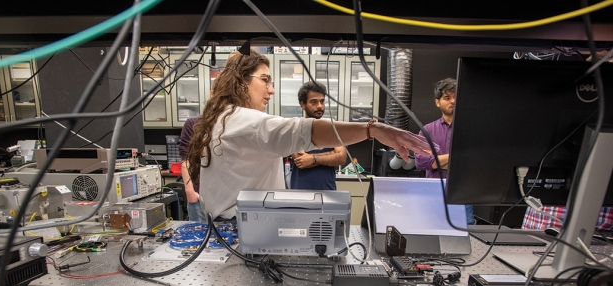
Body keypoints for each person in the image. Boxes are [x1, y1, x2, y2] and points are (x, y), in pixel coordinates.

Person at [187, 49, 431, 220]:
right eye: (265, 80)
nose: (271, 90)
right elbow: (308, 130)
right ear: (241, 81)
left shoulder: (223, 118)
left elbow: (324, 144)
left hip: (226, 224)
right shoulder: (243, 121)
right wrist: (373, 129)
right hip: (238, 227)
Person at [414, 78, 474, 224]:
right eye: (447, 98)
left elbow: (473, 161)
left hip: (463, 193)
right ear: (437, 102)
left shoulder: (471, 130)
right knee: (432, 232)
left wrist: (437, 161)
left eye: (456, 97)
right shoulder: (427, 131)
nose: (452, 101)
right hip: (433, 193)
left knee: (465, 235)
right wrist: (458, 156)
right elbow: (421, 162)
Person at [290, 81, 347, 191]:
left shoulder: (331, 128)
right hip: (300, 193)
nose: (320, 106)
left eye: (322, 101)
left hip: (328, 193)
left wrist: (313, 158)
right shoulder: (295, 128)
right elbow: (301, 161)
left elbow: (342, 157)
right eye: (314, 102)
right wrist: (332, 154)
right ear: (302, 104)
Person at [179, 115, 207, 222]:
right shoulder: (193, 123)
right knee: (198, 235)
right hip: (198, 195)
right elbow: (186, 158)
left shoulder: (233, 124)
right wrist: (189, 190)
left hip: (227, 199)